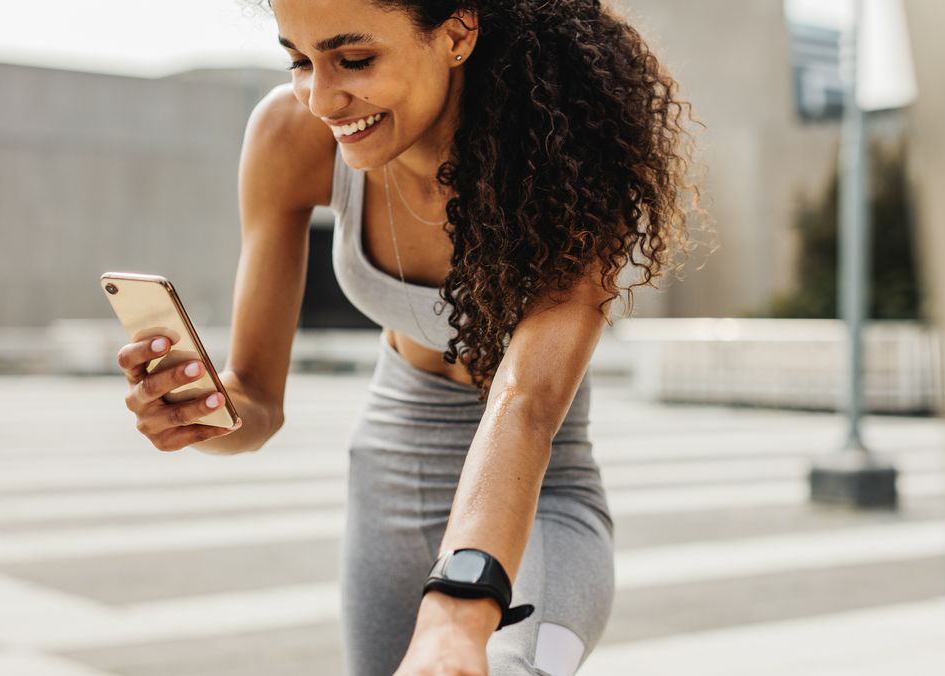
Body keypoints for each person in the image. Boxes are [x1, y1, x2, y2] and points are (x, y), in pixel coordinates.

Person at [115, 0, 712, 673]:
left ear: (457, 32)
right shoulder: (290, 138)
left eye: (355, 59)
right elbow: (257, 401)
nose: (320, 98)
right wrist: (205, 411)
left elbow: (525, 404)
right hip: (392, 469)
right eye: (299, 61)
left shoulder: (567, 157)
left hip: (537, 481)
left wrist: (455, 613)